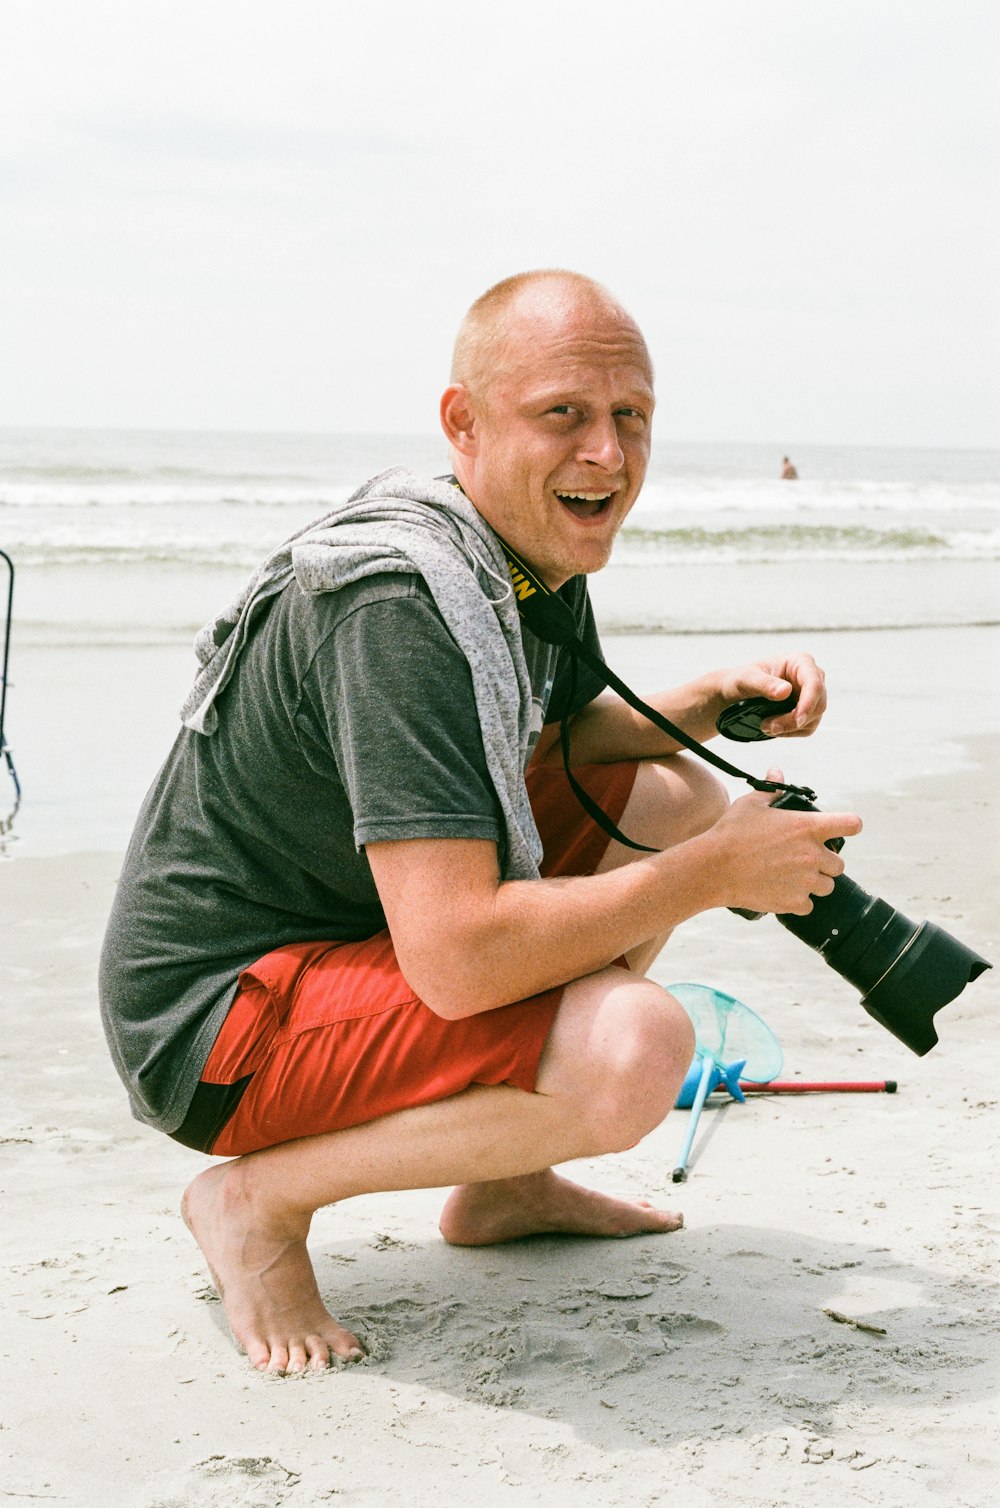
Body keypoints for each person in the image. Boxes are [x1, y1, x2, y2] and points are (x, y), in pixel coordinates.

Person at [100, 269, 860, 1377]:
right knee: (634, 1045)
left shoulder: (516, 547)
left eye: (630, 416)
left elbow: (533, 731)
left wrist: (695, 705)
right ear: (464, 421)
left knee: (668, 789)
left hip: (345, 934)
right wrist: (708, 874)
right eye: (564, 414)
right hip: (215, 1023)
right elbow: (457, 962)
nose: (607, 452)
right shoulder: (400, 602)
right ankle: (254, 1203)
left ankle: (503, 1177)